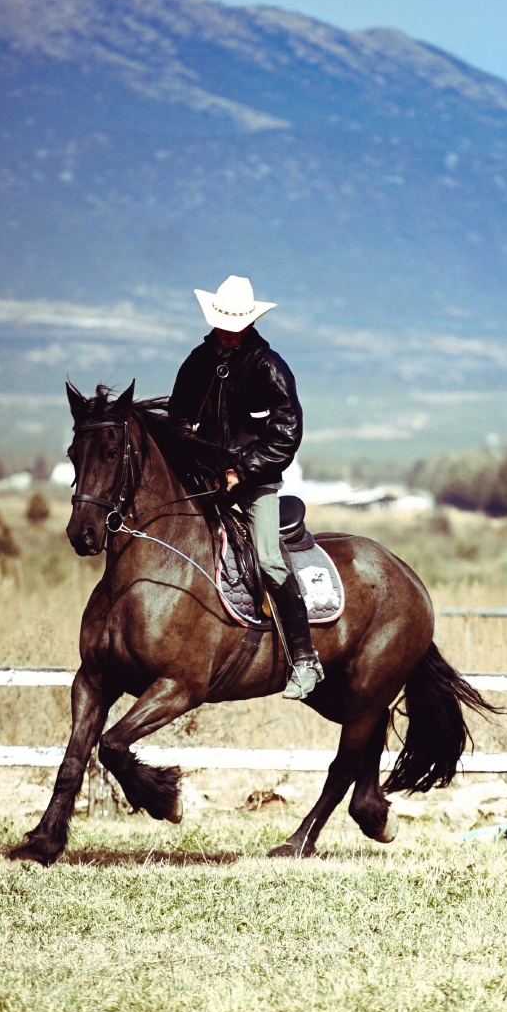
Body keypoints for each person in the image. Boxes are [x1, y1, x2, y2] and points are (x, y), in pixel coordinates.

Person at [168, 274, 324, 700]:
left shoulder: (268, 366)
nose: (228, 330)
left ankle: (305, 659)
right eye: (223, 322)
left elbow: (287, 434)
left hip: (255, 481)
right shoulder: (197, 362)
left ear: (250, 322)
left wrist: (241, 470)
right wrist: (195, 461)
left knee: (269, 559)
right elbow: (178, 417)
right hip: (205, 479)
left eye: (235, 323)